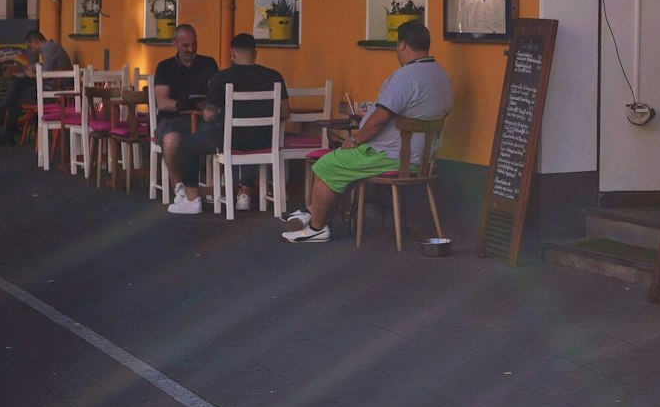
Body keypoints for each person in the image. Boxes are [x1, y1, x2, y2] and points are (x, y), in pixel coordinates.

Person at [281, 21, 453, 243]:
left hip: (392, 156)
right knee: (340, 166)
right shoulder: (442, 76)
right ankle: (309, 212)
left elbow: (379, 120)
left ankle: (317, 226)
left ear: (402, 45)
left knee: (325, 164)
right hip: (423, 160)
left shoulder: (405, 77)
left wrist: (355, 138)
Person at [166, 33, 287, 215]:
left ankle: (192, 200)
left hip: (231, 140)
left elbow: (208, 115)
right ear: (255, 53)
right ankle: (244, 194)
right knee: (251, 138)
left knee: (187, 145)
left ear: (232, 53)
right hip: (264, 140)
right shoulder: (274, 76)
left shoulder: (222, 77)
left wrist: (217, 112)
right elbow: (285, 112)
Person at [154, 23, 218, 192]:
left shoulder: (208, 63)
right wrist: (179, 104)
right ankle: (180, 187)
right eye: (186, 45)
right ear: (175, 44)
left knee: (225, 136)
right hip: (173, 120)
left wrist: (209, 103)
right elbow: (161, 102)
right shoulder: (165, 67)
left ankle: (224, 190)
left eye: (194, 44)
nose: (191, 49)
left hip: (202, 119)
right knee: (171, 140)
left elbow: (216, 92)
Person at [0, 30, 73, 144]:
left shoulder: (49, 49)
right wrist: (36, 67)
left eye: (30, 47)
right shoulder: (51, 47)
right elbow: (49, 67)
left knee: (18, 96)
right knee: (19, 84)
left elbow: (45, 75)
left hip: (54, 90)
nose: (31, 50)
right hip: (52, 85)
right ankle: (2, 118)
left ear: (35, 43)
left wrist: (33, 75)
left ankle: (3, 122)